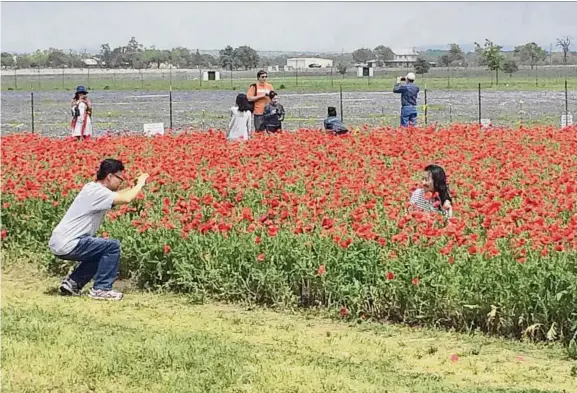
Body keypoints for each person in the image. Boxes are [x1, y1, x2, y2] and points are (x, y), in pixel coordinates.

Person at [48, 159, 149, 300]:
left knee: (99, 251)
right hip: (69, 243)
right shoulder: (99, 193)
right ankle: (101, 289)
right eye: (120, 178)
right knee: (112, 247)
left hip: (59, 241)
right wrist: (140, 184)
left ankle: (73, 283)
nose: (121, 182)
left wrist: (134, 185)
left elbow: (120, 194)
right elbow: (126, 199)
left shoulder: (91, 188)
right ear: (109, 176)